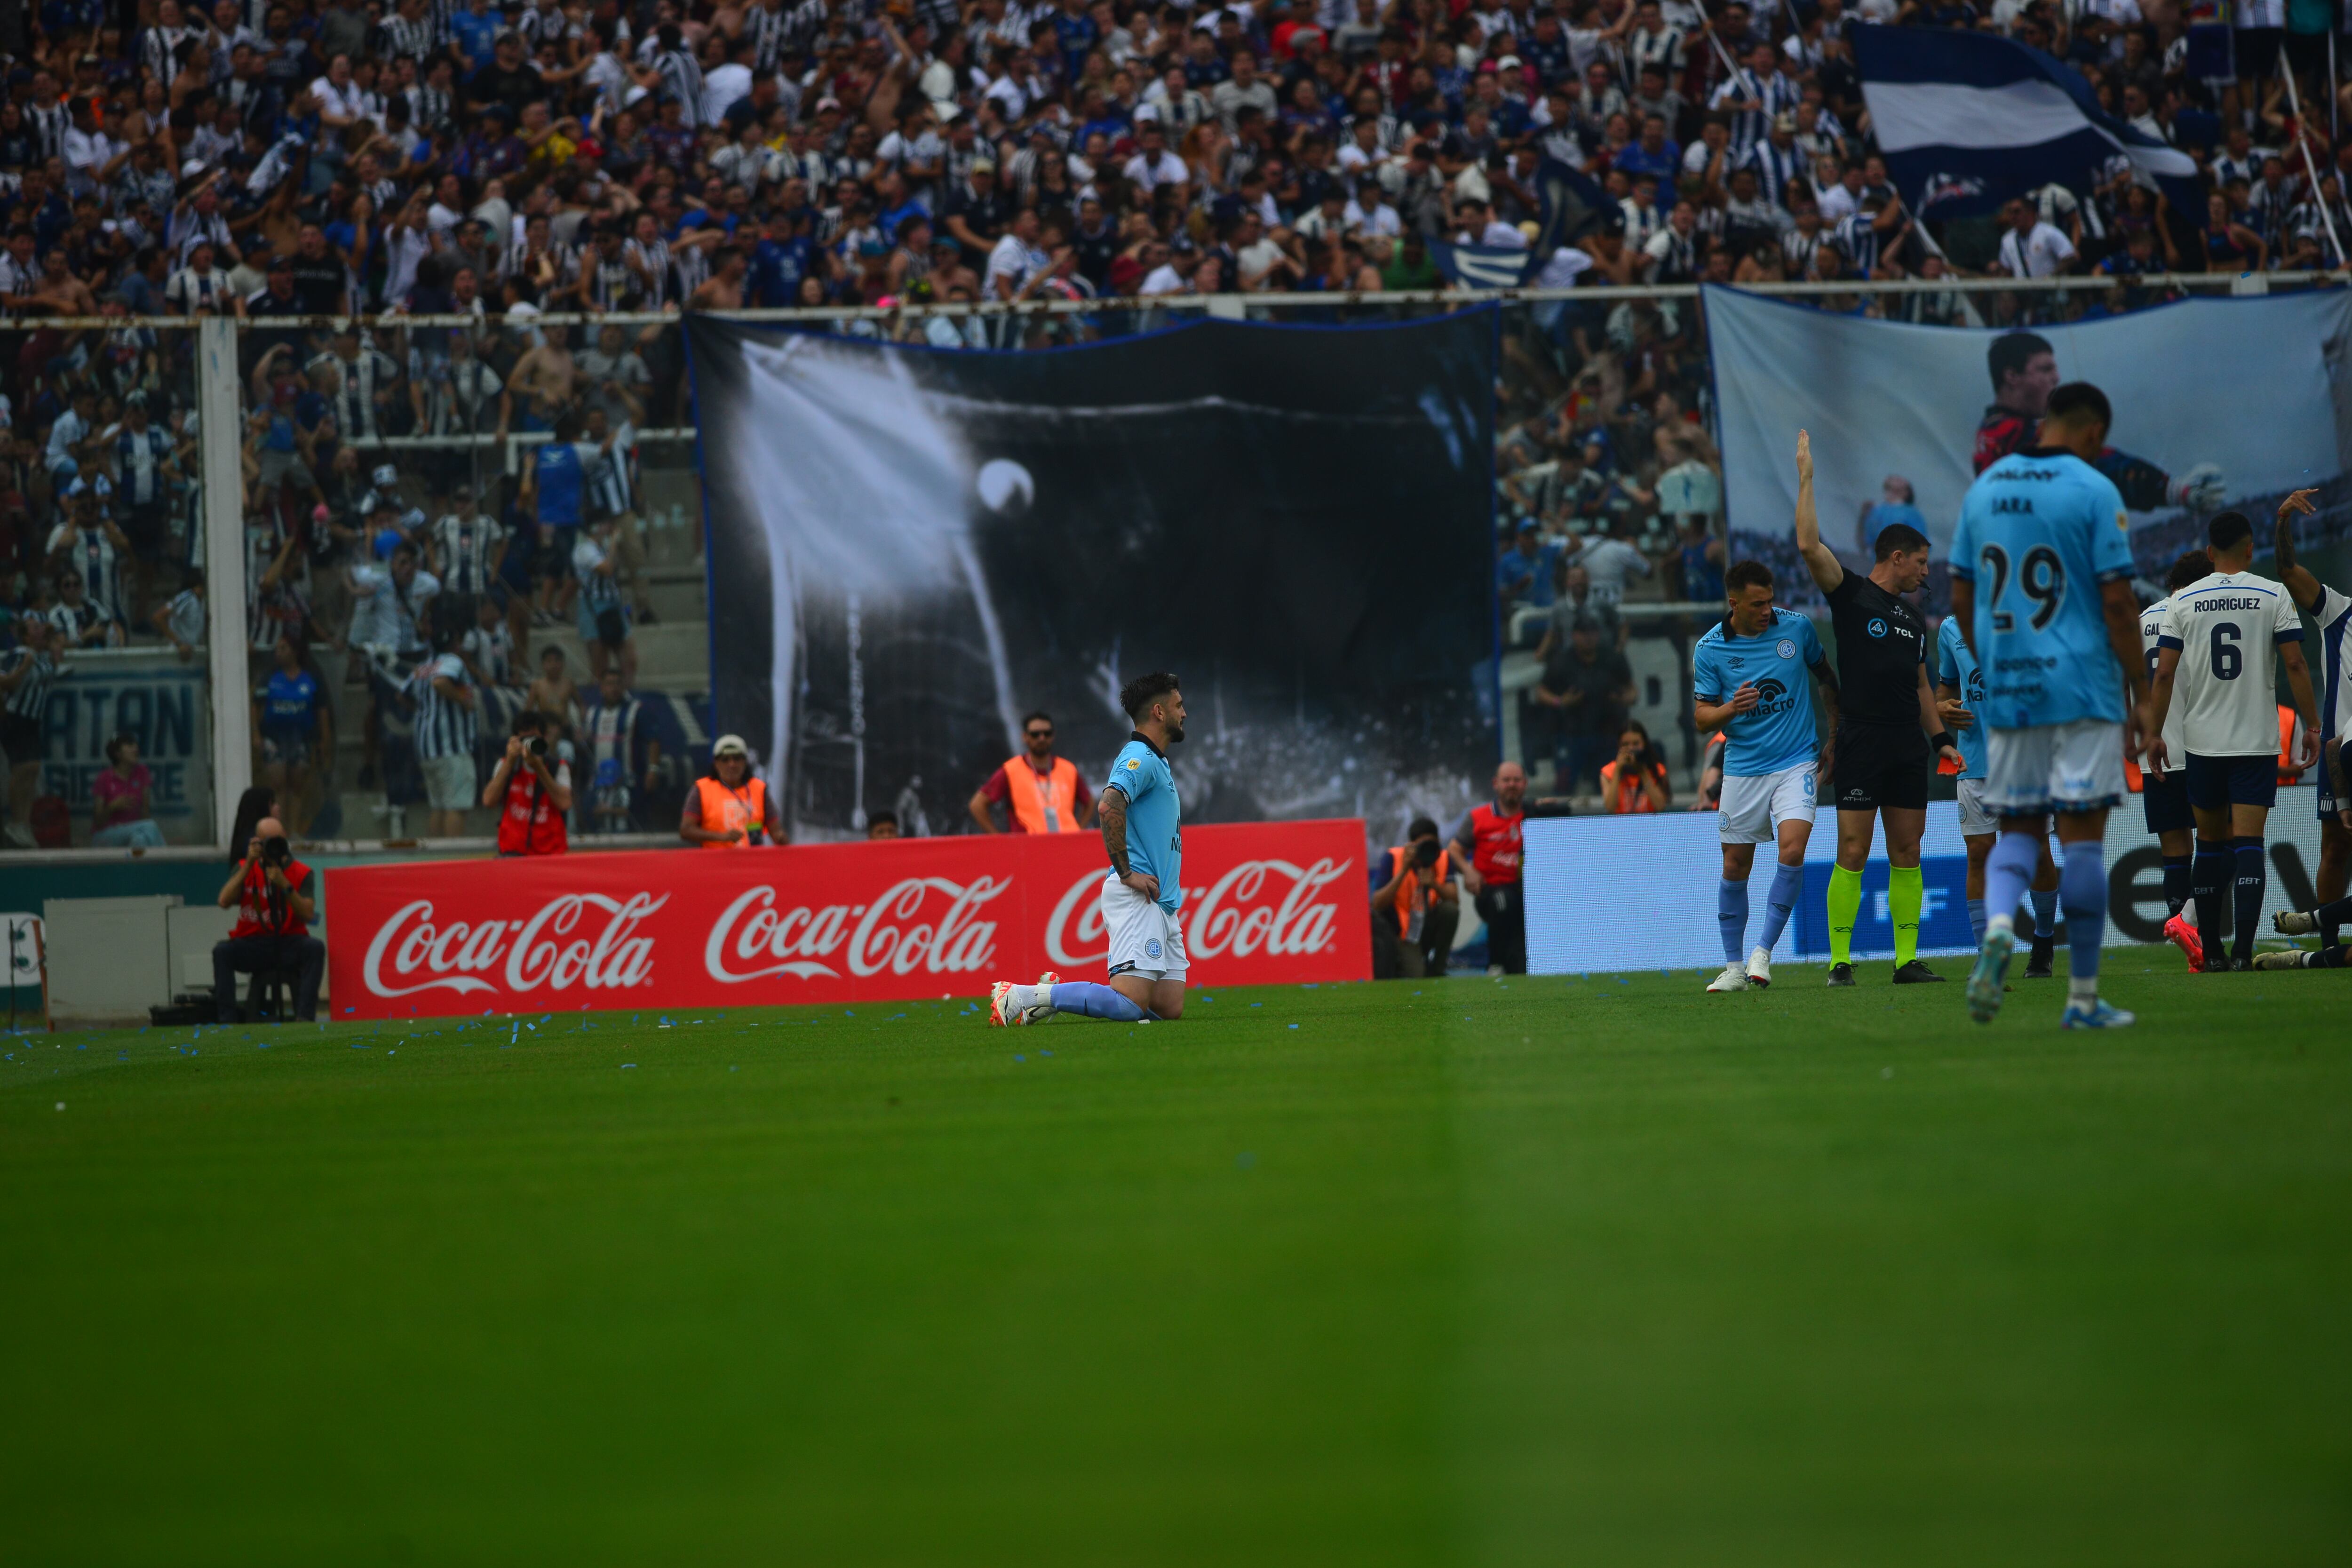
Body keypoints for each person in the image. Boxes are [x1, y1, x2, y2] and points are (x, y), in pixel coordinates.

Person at [1949, 381, 2153, 1027]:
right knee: (2082, 840)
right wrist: (2142, 693)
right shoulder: (2094, 490)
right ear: (2094, 433)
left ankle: (2001, 930)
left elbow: (1959, 596)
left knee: (2018, 830)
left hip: (2012, 690)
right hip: (2083, 688)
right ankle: (2083, 999)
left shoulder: (1983, 489)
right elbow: (2120, 604)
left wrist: (1994, 662)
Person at [1793, 429, 1962, 986]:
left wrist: (1941, 742)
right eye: (1919, 563)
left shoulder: (1915, 623)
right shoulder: (1850, 594)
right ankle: (1839, 963)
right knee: (1851, 848)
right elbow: (1807, 547)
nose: (1924, 573)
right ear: (1896, 557)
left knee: (1907, 848)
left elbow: (1920, 689)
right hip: (1861, 740)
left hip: (1906, 746)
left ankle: (1905, 961)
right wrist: (1807, 478)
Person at [2145, 510, 2320, 972]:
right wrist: (2313, 726)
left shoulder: (2182, 601)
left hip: (2201, 743)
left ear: (2208, 552)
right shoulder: (2271, 593)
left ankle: (2213, 952)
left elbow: (2163, 674)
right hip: (2255, 741)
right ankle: (2243, 952)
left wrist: (2154, 734)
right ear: (2248, 549)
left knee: (2207, 845)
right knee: (2247, 847)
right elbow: (2297, 666)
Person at [992, 672, 1188, 1025]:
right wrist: (1127, 873)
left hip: (1161, 901)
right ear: (1159, 712)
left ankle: (1052, 994)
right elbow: (1108, 804)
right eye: (1179, 705)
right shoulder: (1139, 757)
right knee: (1131, 1005)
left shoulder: (1157, 760)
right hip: (1138, 897)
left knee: (1168, 1008)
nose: (1184, 713)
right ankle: (1021, 995)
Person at [1692, 559, 1838, 992]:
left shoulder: (1796, 629)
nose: (1768, 611)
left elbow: (1826, 678)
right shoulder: (1710, 648)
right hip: (1742, 769)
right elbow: (1702, 718)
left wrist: (1836, 735)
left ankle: (1763, 952)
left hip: (1796, 761)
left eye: (1771, 600)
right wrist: (1730, 709)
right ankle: (1734, 967)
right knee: (1735, 864)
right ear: (1733, 603)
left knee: (1793, 851)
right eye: (1758, 604)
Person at [1937, 606, 2064, 972]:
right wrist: (1941, 706)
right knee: (1979, 855)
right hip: (1973, 761)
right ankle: (1985, 954)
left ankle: (2043, 943)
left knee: (2037, 851)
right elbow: (1945, 685)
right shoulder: (1950, 627)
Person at [1972, 332, 2226, 513]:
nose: (2057, 377)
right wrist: (2170, 489)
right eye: (2045, 369)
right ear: (2012, 376)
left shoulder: (1998, 431)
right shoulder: (2010, 433)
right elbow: (2099, 463)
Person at [2260, 490, 2352, 962]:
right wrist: (2281, 522)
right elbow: (2286, 573)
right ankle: (2331, 945)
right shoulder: (2338, 612)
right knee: (2334, 848)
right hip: (2342, 756)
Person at [2135, 551, 2218, 969]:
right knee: (2216, 842)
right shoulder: (2200, 613)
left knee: (2173, 849)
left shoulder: (2143, 620)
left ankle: (2184, 932)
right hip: (2205, 746)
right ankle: (2200, 930)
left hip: (2157, 749)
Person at [210, 816, 325, 1023]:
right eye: (269, 841)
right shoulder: (246, 866)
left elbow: (307, 915)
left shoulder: (301, 872)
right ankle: (227, 1019)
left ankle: (305, 1016)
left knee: (315, 948)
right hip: (253, 942)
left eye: (279, 840)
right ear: (258, 842)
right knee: (222, 952)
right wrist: (249, 866)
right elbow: (223, 901)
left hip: (288, 941)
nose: (275, 846)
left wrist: (285, 884)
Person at [1453, 761, 1532, 977]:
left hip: (1527, 894)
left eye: (1517, 780)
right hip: (1490, 892)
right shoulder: (1478, 817)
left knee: (1521, 969)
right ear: (1495, 784)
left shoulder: (1535, 814)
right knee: (1502, 902)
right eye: (1506, 780)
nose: (1512, 785)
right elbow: (1454, 850)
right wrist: (1468, 871)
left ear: (1525, 784)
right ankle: (1494, 965)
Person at [968, 710, 1097, 834]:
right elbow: (977, 805)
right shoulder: (1011, 770)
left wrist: (1079, 830)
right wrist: (998, 840)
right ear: (1025, 737)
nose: (1042, 738)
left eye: (1047, 733)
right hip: (1028, 848)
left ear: (1053, 736)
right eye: (1035, 734)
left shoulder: (1068, 769)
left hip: (1067, 845)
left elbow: (1089, 801)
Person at [409, 621, 479, 839]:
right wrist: (463, 701)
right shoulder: (452, 661)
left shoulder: (423, 667)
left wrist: (426, 711)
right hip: (451, 748)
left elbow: (402, 695)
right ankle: (453, 859)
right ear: (455, 644)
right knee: (455, 806)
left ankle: (434, 859)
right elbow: (440, 683)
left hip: (428, 748)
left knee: (439, 806)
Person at [1369, 816, 1460, 979]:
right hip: (1405, 933)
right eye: (1422, 846)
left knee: (1450, 911)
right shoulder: (1394, 858)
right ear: (1412, 846)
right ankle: (1400, 965)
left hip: (1428, 925)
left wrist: (1434, 884)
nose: (1427, 851)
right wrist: (1404, 870)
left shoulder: (1444, 858)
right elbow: (1377, 904)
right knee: (1417, 976)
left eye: (1432, 845)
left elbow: (1454, 900)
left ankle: (1438, 969)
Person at [0, 613, 63, 849]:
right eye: (34, 628)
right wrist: (25, 666)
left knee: (32, 771)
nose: (39, 631)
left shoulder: (44, 657)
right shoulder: (19, 655)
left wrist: (51, 634)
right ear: (24, 635)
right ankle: (16, 821)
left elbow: (58, 644)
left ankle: (23, 824)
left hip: (33, 718)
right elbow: (5, 683)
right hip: (15, 716)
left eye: (40, 628)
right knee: (23, 768)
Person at [580, 667, 658, 834]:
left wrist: (653, 769)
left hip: (629, 781)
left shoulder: (636, 710)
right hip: (598, 783)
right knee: (595, 822)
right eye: (609, 684)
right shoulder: (593, 713)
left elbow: (653, 740)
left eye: (617, 684)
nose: (613, 688)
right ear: (601, 687)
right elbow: (586, 743)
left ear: (624, 687)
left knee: (631, 826)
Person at [484, 708, 572, 856]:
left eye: (534, 739)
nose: (528, 745)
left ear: (544, 738)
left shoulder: (558, 767)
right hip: (512, 852)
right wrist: (510, 761)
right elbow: (489, 801)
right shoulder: (506, 765)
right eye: (524, 740)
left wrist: (539, 767)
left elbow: (565, 803)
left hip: (550, 853)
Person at [683, 732, 785, 847]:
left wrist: (781, 838)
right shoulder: (701, 789)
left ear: (745, 762)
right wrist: (722, 837)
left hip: (753, 862)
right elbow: (686, 830)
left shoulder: (759, 788)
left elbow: (776, 831)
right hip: (715, 862)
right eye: (725, 760)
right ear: (716, 764)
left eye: (737, 759)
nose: (732, 764)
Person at [90, 733, 165, 848]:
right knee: (150, 827)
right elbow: (98, 822)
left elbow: (145, 813)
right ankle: (166, 860)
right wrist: (112, 807)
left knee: (139, 839)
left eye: (136, 745)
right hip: (105, 836)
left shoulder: (142, 773)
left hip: (134, 831)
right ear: (118, 754)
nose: (136, 749)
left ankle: (132, 866)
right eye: (130, 746)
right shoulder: (104, 778)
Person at [1600, 721, 1671, 814]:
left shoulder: (1657, 770)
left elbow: (1660, 807)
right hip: (1621, 826)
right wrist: (1618, 770)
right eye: (1625, 745)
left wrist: (1643, 772)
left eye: (1636, 744)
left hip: (1650, 825)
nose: (1631, 749)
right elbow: (1610, 808)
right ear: (1619, 746)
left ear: (1644, 744)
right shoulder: (1608, 772)